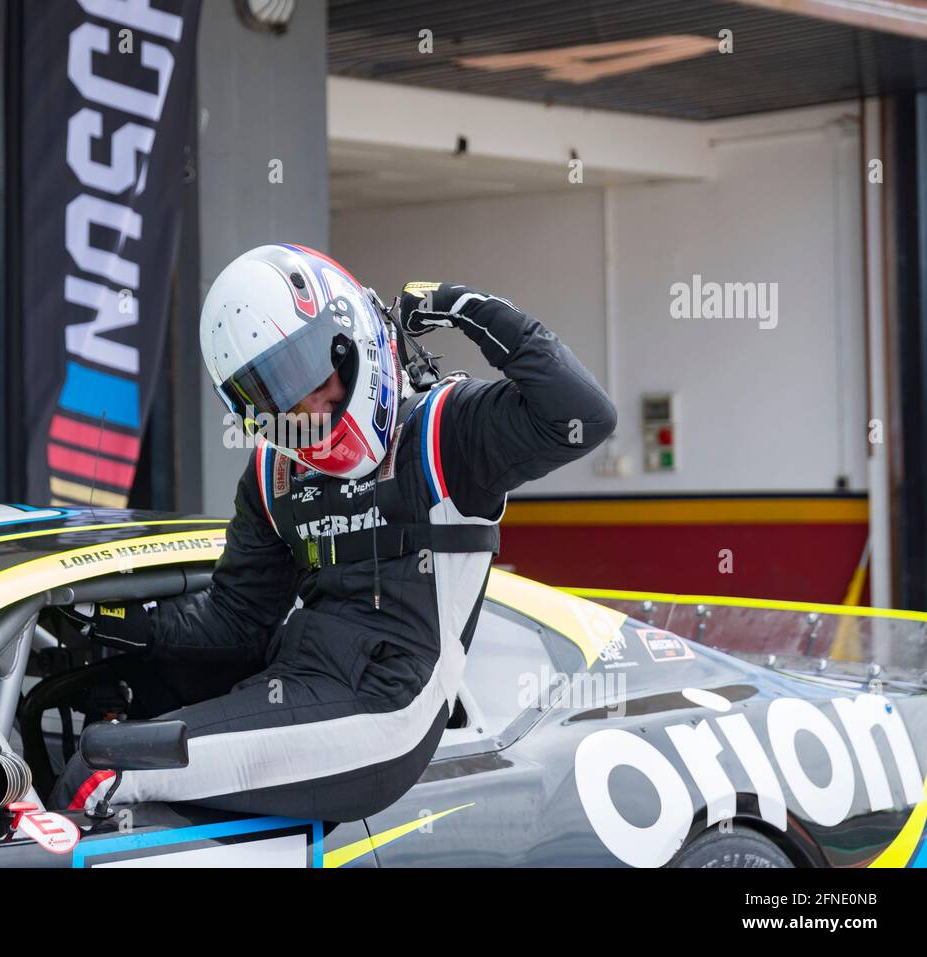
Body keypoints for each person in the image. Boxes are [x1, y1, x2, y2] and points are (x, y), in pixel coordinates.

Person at [53, 244, 617, 821]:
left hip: (389, 710)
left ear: (352, 338)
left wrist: (466, 308)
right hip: (295, 684)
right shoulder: (273, 475)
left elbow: (584, 417)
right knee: (105, 718)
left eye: (307, 372)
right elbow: (238, 619)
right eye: (273, 394)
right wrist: (124, 620)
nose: (305, 405)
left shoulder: (446, 431)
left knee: (104, 768)